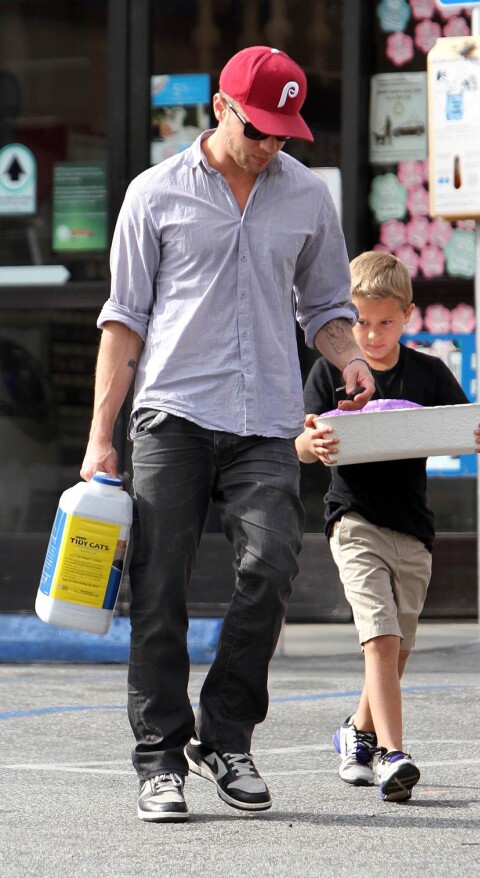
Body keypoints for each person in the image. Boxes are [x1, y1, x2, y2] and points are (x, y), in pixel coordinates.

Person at [80, 45, 375, 823]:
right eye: (259, 128)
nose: (271, 145)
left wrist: (349, 358)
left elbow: (326, 308)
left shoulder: (306, 196)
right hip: (172, 414)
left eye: (284, 132)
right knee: (160, 586)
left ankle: (226, 737)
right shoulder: (154, 195)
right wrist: (100, 437)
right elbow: (122, 323)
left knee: (273, 562)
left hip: (266, 419)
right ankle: (159, 758)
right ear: (220, 107)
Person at [295, 251, 480, 802]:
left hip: (413, 529)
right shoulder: (329, 371)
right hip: (353, 521)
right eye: (360, 321)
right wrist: (309, 446)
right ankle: (393, 754)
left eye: (385, 321)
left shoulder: (428, 372)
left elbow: (466, 428)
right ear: (345, 318)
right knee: (381, 638)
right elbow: (298, 440)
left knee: (399, 646)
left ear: (407, 315)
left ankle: (356, 733)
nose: (372, 333)